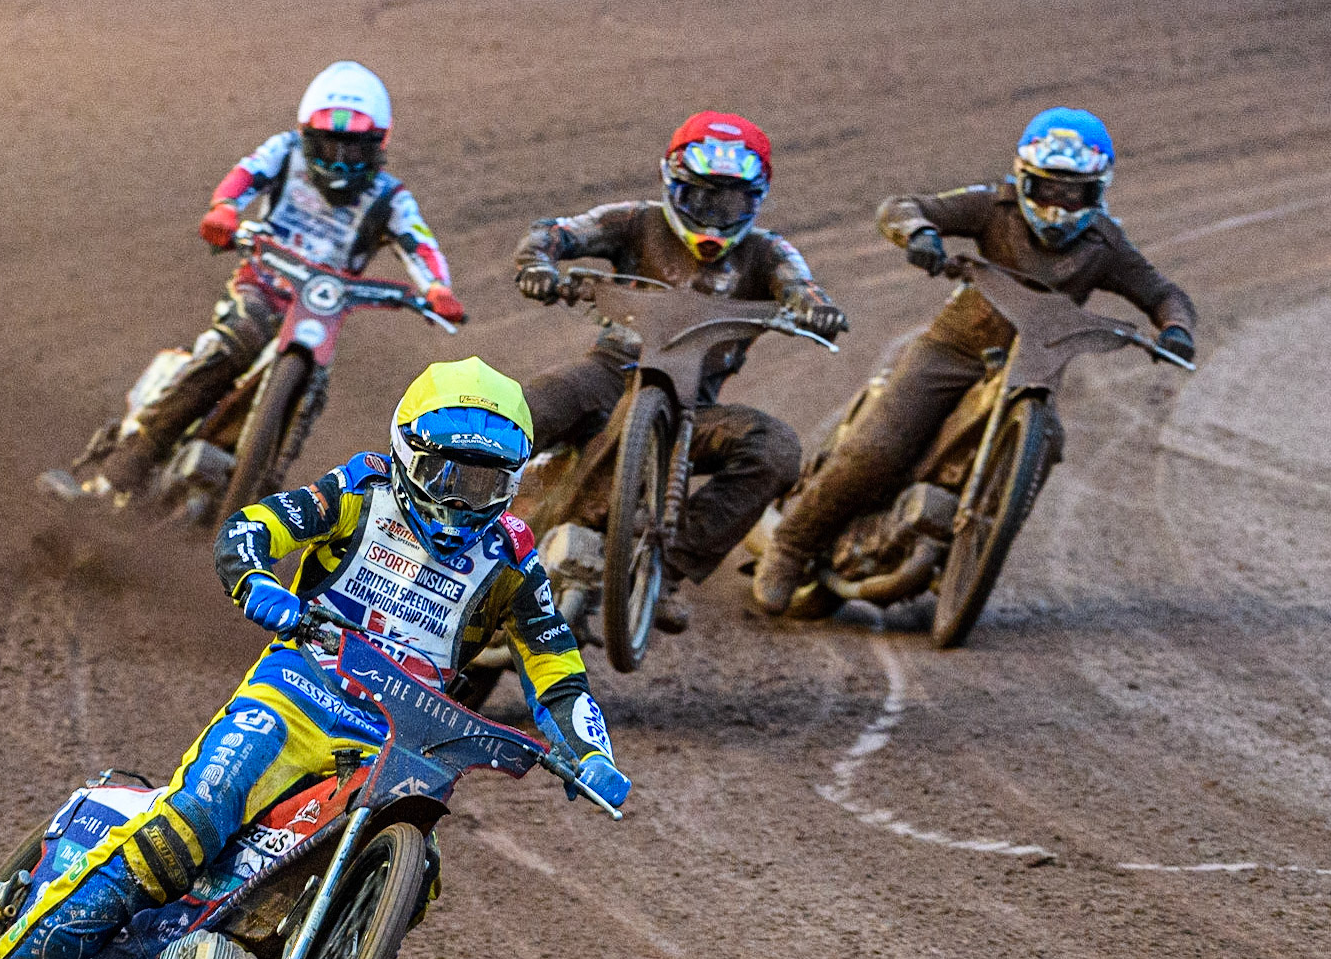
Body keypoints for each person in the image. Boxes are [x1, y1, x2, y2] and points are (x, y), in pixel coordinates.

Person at [0, 358, 630, 959]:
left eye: (484, 482)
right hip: (298, 692)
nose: (463, 499)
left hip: (400, 739)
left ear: (511, 481)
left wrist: (589, 749)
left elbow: (556, 661)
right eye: (449, 474)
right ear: (410, 453)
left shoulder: (514, 557)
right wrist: (257, 581)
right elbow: (251, 529)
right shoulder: (360, 491)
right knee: (194, 817)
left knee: (411, 872)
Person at [753, 107, 1198, 612]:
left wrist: (1176, 328)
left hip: (1033, 368)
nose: (1059, 205)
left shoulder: (1107, 244)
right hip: (954, 349)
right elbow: (903, 205)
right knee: (880, 445)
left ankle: (977, 544)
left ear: (1098, 192)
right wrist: (919, 233)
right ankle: (790, 547)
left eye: (1074, 192)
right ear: (1024, 180)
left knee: (1048, 439)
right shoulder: (992, 207)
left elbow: (1164, 293)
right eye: (1048, 188)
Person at [45, 60, 466, 503]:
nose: (340, 161)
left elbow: (420, 244)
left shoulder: (389, 197)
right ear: (307, 136)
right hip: (263, 284)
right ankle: (117, 470)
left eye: (354, 149)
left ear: (378, 144)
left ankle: (252, 503)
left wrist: (438, 289)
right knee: (238, 340)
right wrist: (225, 208)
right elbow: (245, 175)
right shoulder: (284, 152)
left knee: (309, 399)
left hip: (318, 312)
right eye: (328, 145)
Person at [512, 111, 848, 633]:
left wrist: (814, 309)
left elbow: (804, 288)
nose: (714, 216)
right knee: (515, 412)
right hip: (607, 371)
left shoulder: (769, 252)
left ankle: (661, 570)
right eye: (701, 197)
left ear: (758, 197)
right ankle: (435, 519)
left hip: (695, 405)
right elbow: (552, 234)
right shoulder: (633, 220)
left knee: (777, 448)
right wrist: (536, 264)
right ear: (672, 185)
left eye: (732, 200)